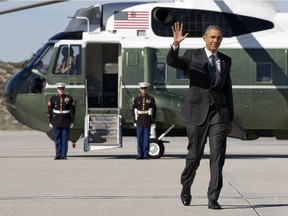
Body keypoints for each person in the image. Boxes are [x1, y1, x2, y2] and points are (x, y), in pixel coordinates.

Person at [166, 22, 234, 209]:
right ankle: (186, 186)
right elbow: (173, 62)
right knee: (194, 155)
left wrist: (230, 118)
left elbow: (227, 89)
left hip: (219, 114)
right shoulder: (192, 56)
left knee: (218, 156)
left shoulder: (226, 60)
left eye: (218, 37)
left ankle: (213, 197)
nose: (215, 40)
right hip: (197, 112)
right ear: (204, 38)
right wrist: (176, 45)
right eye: (212, 37)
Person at [48, 83, 75, 160]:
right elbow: (50, 110)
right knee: (57, 139)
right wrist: (50, 121)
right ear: (57, 90)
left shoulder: (69, 98)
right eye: (59, 89)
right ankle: (58, 154)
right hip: (56, 121)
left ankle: (64, 155)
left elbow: (72, 111)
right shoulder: (53, 98)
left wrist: (72, 121)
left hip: (66, 121)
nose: (61, 90)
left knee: (64, 139)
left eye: (62, 89)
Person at [132, 82, 157, 160]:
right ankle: (140, 154)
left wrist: (153, 120)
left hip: (147, 120)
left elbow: (154, 110)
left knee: (146, 138)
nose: (143, 90)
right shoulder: (136, 99)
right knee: (139, 138)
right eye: (142, 89)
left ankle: (146, 154)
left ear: (147, 89)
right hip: (139, 120)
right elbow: (133, 110)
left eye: (145, 89)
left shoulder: (151, 99)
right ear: (140, 89)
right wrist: (134, 120)